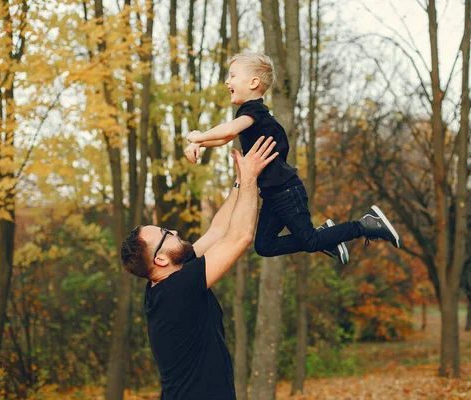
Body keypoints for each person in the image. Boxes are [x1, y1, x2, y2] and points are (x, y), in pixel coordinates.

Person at [184, 52, 401, 265]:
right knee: (264, 246)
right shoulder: (251, 115)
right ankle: (327, 235)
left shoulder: (254, 111)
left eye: (232, 75)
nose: (227, 81)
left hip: (286, 192)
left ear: (253, 82)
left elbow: (229, 129)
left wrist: (199, 136)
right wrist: (199, 144)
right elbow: (226, 137)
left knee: (311, 240)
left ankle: (364, 225)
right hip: (272, 195)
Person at [120, 137, 278, 400]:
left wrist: (240, 181)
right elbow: (239, 238)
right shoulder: (178, 289)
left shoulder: (164, 281)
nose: (173, 230)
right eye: (165, 234)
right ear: (160, 259)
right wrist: (252, 178)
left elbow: (217, 231)